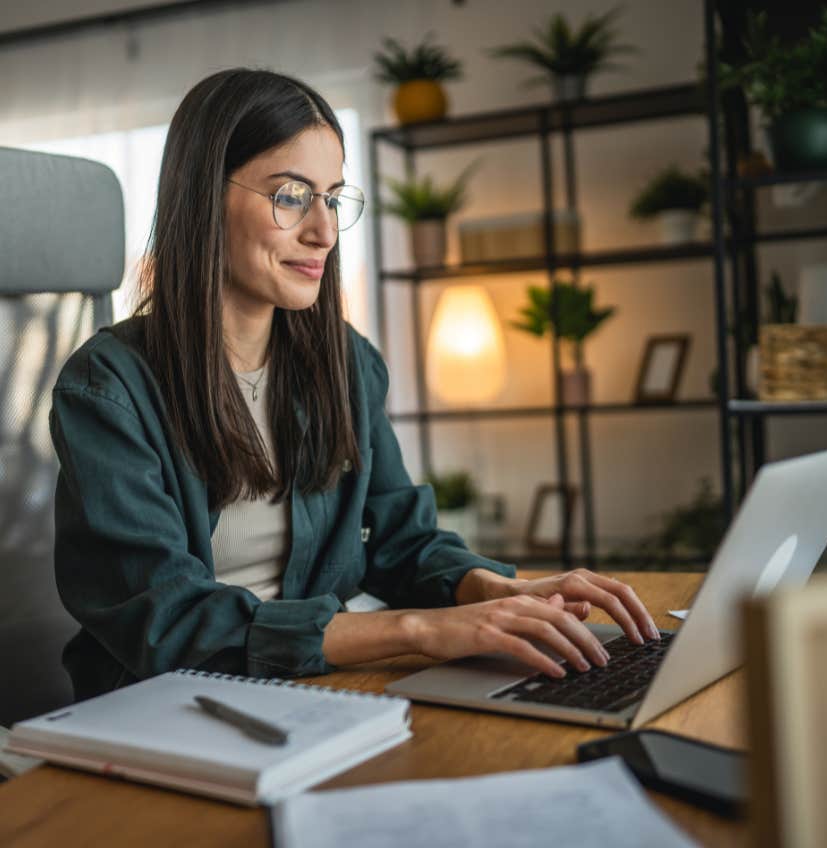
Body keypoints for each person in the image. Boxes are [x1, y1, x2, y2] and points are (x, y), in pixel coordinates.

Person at [50, 68, 659, 702]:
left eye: (333, 198)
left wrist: (496, 592)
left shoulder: (345, 361)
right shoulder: (108, 387)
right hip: (166, 703)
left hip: (318, 687)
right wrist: (421, 630)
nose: (323, 231)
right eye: (291, 196)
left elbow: (402, 539)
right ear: (203, 197)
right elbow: (167, 621)